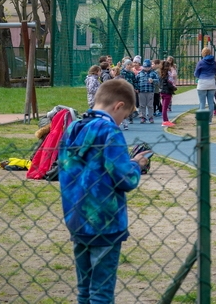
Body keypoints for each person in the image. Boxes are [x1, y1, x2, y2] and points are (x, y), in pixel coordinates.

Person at [58, 79, 150, 304]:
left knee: (84, 289)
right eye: (125, 115)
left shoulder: (73, 128)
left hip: (77, 217)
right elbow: (125, 179)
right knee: (101, 292)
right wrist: (136, 164)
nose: (123, 121)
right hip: (105, 221)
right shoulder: (110, 131)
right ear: (118, 106)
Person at [194, 47, 216, 123]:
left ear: (203, 53)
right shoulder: (214, 62)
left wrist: (199, 76)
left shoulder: (201, 62)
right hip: (211, 82)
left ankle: (202, 120)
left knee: (202, 102)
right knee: (211, 102)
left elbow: (196, 73)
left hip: (202, 82)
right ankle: (209, 120)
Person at [135, 59, 159, 124]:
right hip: (142, 91)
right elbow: (136, 81)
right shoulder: (139, 74)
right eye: (145, 67)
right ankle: (143, 117)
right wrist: (136, 88)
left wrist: (153, 80)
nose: (147, 68)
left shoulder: (153, 73)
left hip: (150, 91)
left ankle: (151, 117)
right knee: (142, 105)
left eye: (148, 67)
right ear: (143, 66)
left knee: (150, 105)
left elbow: (158, 81)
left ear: (150, 67)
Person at [159, 60, 177, 127]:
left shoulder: (161, 74)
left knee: (164, 106)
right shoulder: (168, 74)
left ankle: (165, 120)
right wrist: (173, 88)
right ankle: (165, 121)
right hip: (167, 92)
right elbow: (169, 83)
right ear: (168, 66)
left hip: (163, 91)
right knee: (165, 107)